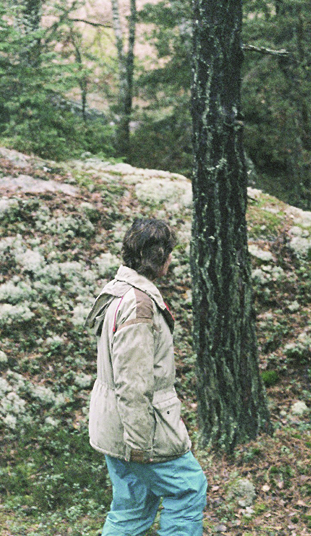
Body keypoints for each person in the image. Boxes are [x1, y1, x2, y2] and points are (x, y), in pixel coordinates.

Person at [85, 218, 207, 536]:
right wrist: (140, 445)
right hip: (138, 428)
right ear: (160, 257)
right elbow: (133, 382)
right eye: (169, 253)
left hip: (115, 423)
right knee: (189, 489)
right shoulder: (139, 306)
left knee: (133, 510)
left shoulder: (119, 293)